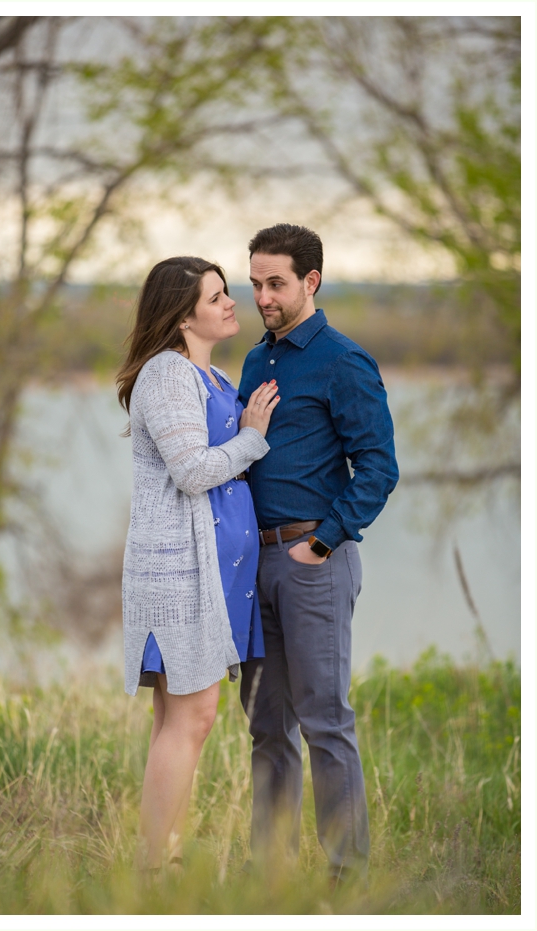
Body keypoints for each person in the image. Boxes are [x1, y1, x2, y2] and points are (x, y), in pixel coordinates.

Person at [237, 224, 397, 883]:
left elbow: (379, 467)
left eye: (275, 283)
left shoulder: (343, 360)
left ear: (311, 281)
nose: (263, 296)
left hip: (314, 563)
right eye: (254, 284)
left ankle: (346, 876)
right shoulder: (254, 360)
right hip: (258, 568)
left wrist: (324, 541)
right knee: (266, 726)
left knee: (325, 721)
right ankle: (268, 873)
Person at [115, 256, 281, 873]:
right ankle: (154, 868)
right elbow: (192, 472)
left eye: (226, 293)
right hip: (179, 574)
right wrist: (252, 435)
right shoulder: (166, 374)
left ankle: (167, 858)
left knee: (178, 717)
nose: (232, 304)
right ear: (183, 316)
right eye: (216, 298)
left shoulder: (208, 378)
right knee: (194, 715)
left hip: (214, 573)